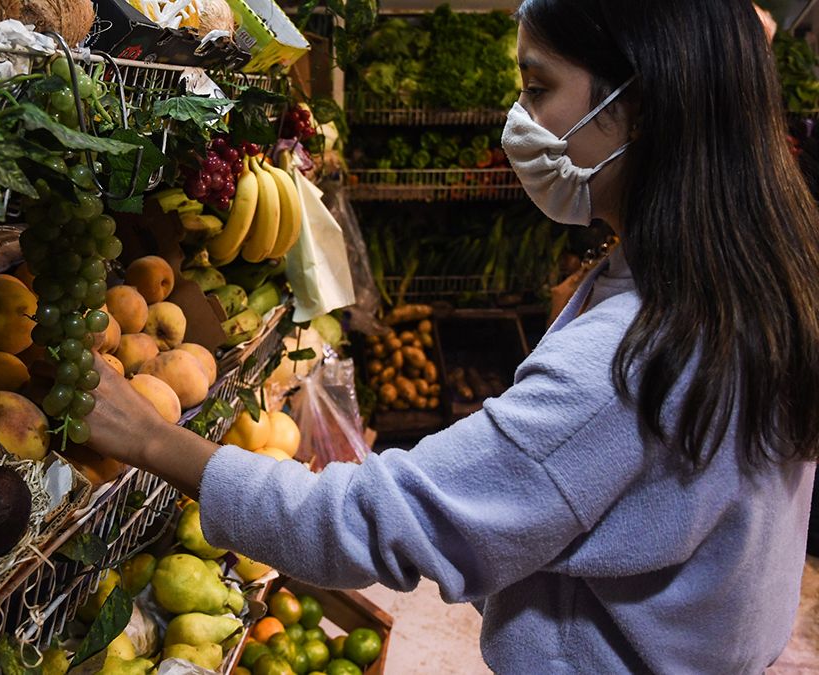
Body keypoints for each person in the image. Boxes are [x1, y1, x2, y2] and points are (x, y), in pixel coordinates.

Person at [85, 0, 819, 671]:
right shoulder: (756, 277)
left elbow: (371, 521)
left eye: (538, 88)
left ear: (643, 106)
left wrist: (147, 438)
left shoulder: (626, 364)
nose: (519, 119)